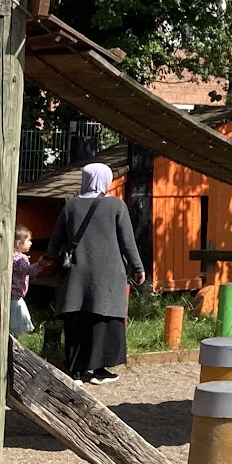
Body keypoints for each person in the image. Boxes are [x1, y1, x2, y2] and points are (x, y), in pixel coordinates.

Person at [49, 161, 144, 385]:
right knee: (103, 318)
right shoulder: (116, 205)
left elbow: (57, 239)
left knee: (77, 318)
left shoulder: (71, 206)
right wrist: (138, 267)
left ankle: (76, 371)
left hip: (77, 272)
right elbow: (128, 242)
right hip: (108, 274)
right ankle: (100, 370)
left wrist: (47, 258)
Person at [10, 225, 37, 337]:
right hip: (16, 295)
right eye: (28, 240)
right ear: (18, 243)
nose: (30, 243)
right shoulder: (20, 258)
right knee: (17, 320)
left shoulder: (11, 256)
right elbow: (28, 270)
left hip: (11, 294)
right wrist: (40, 265)